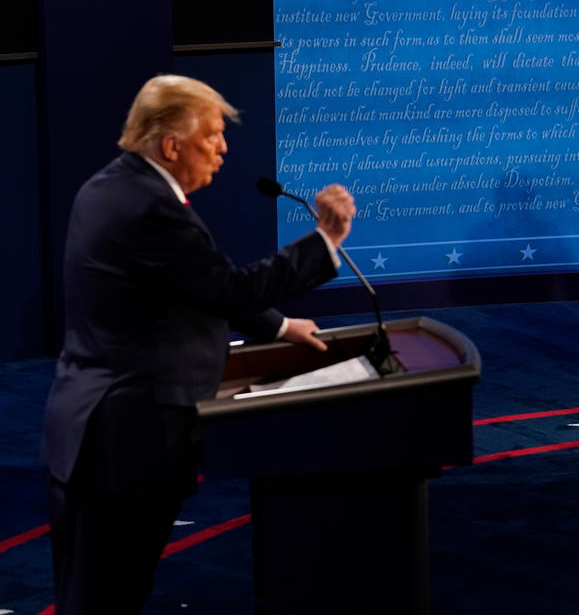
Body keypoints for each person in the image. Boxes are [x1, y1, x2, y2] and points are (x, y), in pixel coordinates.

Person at [41, 74, 356, 613]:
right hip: (130, 440)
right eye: (212, 135)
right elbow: (230, 287)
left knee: (89, 593)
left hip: (86, 426)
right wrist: (324, 241)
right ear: (171, 145)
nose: (224, 147)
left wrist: (279, 328)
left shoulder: (107, 188)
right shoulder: (152, 210)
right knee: (109, 596)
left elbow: (188, 287)